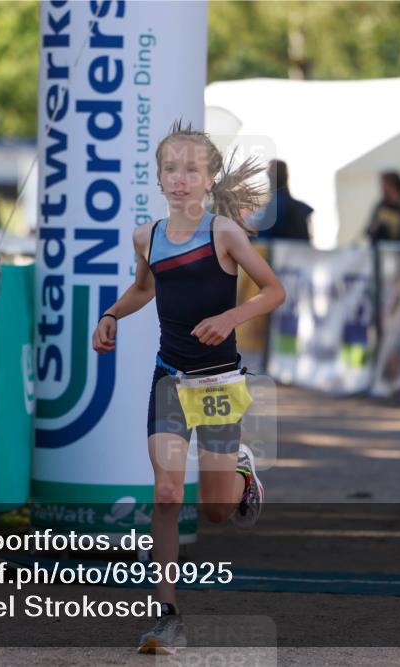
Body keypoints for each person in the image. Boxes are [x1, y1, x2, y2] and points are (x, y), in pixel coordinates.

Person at [91, 121, 286, 655]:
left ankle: (241, 474)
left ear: (208, 178)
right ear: (158, 177)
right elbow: (143, 288)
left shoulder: (225, 234)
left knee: (219, 511)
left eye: (191, 170)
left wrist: (230, 317)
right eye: (171, 169)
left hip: (219, 381)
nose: (180, 179)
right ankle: (168, 615)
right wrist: (111, 314)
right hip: (170, 379)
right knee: (169, 493)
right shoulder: (146, 236)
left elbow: (274, 290)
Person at [247, 159, 313, 241]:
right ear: (287, 176)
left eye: (269, 175)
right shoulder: (301, 208)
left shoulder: (273, 207)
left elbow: (264, 240)